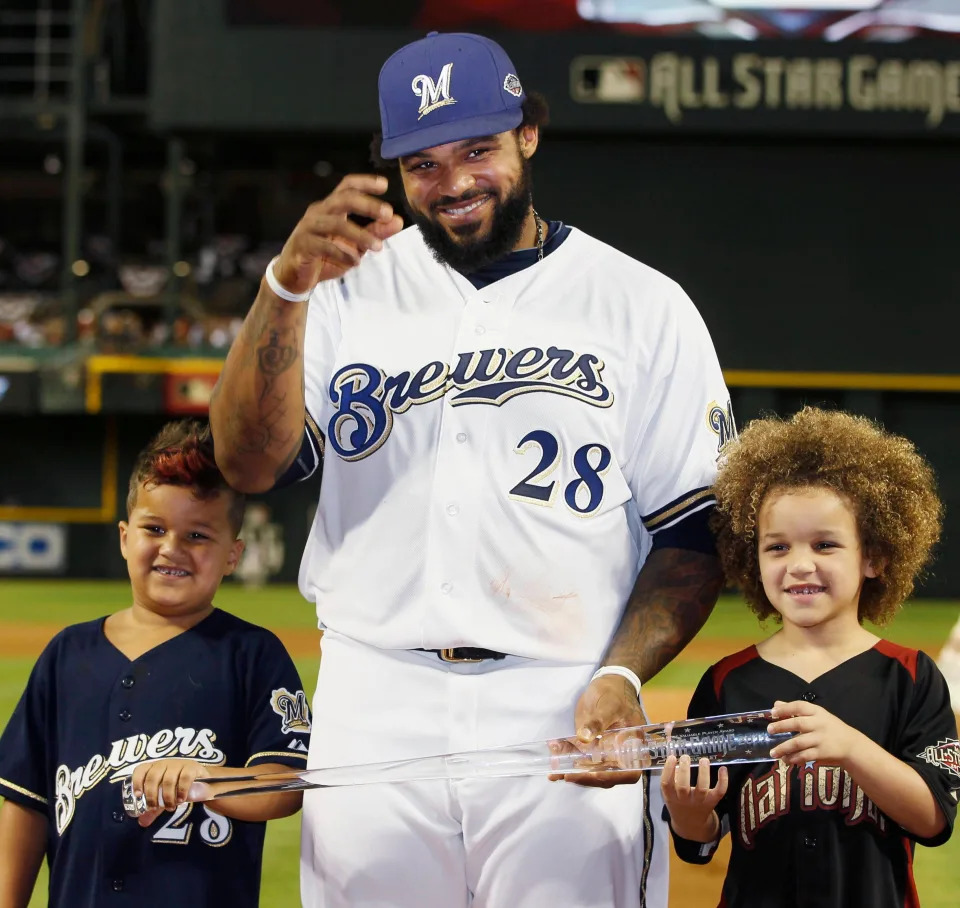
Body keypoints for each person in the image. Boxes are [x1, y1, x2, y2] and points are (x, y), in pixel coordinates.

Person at [209, 30, 731, 908]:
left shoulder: (642, 304)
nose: (453, 183)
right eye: (422, 164)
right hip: (375, 692)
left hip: (562, 691)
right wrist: (287, 283)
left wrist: (622, 675)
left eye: (477, 149)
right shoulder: (340, 288)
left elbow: (692, 531)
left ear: (528, 132)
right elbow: (250, 463)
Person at [0, 420, 312, 908]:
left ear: (233, 555)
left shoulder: (253, 654)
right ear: (125, 537)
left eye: (197, 535)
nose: (172, 547)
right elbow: (26, 803)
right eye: (155, 528)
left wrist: (204, 779)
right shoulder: (68, 654)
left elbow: (286, 783)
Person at [660, 406, 959, 908]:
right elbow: (700, 841)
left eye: (825, 544)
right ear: (751, 557)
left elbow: (934, 818)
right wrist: (689, 812)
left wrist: (852, 748)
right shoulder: (726, 682)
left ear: (874, 556)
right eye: (777, 547)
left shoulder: (910, 676)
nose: (800, 565)